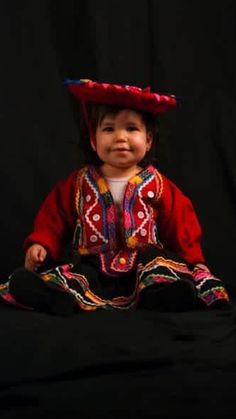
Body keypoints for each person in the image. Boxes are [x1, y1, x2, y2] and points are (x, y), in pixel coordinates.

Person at [0, 79, 230, 315]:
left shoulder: (159, 185)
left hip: (143, 261)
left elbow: (181, 223)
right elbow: (54, 217)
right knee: (74, 275)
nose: (120, 137)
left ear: (148, 140)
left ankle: (161, 297)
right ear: (93, 140)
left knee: (160, 269)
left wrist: (194, 260)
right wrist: (41, 243)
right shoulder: (79, 183)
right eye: (109, 129)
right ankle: (55, 298)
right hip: (93, 262)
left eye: (131, 128)